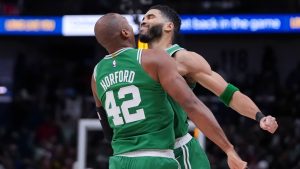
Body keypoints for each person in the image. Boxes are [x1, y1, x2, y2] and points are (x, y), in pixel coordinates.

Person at [91, 13, 247, 169]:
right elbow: (192, 105)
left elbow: (107, 130)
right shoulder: (153, 59)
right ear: (125, 33)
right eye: (128, 25)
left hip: (119, 161)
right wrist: (228, 149)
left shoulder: (96, 74)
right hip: (155, 158)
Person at [139, 5, 279, 169]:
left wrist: (259, 117)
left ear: (169, 26)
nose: (143, 21)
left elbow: (228, 93)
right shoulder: (135, 59)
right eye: (143, 18)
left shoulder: (182, 58)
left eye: (150, 17)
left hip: (177, 151)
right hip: (142, 149)